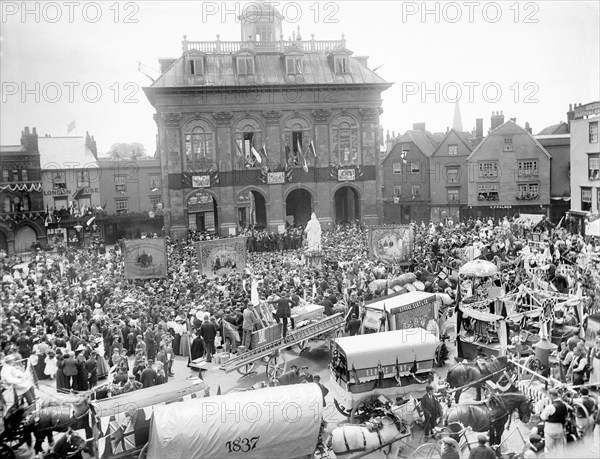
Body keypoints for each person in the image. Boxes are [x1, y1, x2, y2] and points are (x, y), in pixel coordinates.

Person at [540, 388, 567, 455]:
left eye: (549, 395)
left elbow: (543, 417)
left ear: (552, 395)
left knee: (549, 448)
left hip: (550, 428)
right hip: (560, 427)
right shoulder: (564, 405)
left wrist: (542, 408)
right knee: (560, 447)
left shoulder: (550, 407)